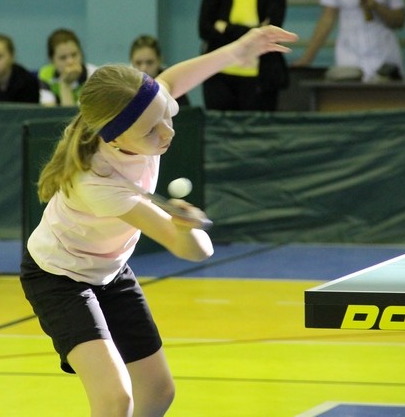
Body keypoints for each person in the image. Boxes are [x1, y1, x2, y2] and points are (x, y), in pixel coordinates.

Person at [20, 25, 298, 417]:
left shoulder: (145, 112)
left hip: (110, 269)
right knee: (115, 399)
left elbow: (173, 81)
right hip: (59, 277)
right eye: (151, 131)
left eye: (165, 115)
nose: (166, 131)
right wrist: (184, 230)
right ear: (115, 140)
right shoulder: (98, 182)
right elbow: (187, 248)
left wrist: (238, 50)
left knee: (157, 391)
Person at [198, 0, 288, 111]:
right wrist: (252, 31)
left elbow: (268, 34)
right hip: (219, 73)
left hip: (259, 76)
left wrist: (225, 28)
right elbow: (204, 29)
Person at [39, 28, 97, 106]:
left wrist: (65, 84)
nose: (70, 61)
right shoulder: (46, 74)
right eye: (63, 58)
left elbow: (79, 113)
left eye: (74, 55)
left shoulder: (94, 75)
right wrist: (65, 83)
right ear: (52, 60)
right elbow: (49, 111)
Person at [129, 34, 190, 107]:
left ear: (159, 60)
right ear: (131, 61)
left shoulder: (173, 83)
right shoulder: (125, 87)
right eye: (138, 63)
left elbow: (185, 112)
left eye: (149, 62)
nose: (143, 69)